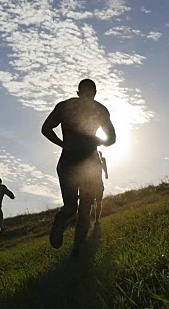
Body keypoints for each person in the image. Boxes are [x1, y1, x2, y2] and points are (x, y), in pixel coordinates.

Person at [42, 79, 116, 257]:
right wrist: (97, 141)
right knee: (85, 207)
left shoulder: (65, 106)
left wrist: (63, 144)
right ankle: (77, 250)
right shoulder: (100, 109)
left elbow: (46, 129)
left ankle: (61, 220)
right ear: (95, 92)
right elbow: (112, 138)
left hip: (68, 161)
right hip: (89, 162)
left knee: (70, 206)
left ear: (78, 92)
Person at [93, 150, 108, 228]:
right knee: (91, 202)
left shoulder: (102, 160)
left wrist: (106, 173)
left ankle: (96, 220)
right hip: (91, 183)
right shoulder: (90, 160)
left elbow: (104, 165)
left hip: (98, 183)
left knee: (98, 202)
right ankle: (90, 220)